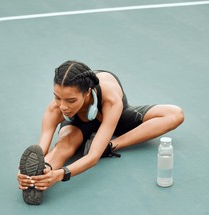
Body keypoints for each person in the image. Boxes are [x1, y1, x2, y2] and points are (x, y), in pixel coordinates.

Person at [17, 60, 184, 202]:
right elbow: (41, 148)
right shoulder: (56, 109)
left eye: (71, 100)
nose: (63, 106)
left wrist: (61, 174)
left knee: (175, 114)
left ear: (87, 93)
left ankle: (111, 145)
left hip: (112, 118)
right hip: (77, 125)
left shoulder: (110, 99)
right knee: (64, 144)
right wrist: (28, 171)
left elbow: (92, 157)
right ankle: (39, 178)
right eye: (57, 97)